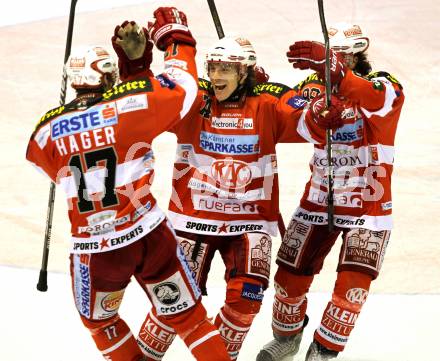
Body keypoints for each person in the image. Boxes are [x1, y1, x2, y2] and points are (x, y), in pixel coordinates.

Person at [114, 28, 348, 360]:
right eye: (212, 67)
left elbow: (305, 121)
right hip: (193, 220)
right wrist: (135, 63)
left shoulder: (267, 101)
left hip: (251, 224)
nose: (215, 75)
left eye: (225, 68)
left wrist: (321, 114)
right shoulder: (195, 99)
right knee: (170, 301)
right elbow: (145, 105)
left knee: (246, 300)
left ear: (244, 71)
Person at [26, 7, 231, 361]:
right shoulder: (130, 104)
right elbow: (184, 91)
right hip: (149, 235)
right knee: (189, 318)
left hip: (95, 250)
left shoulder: (44, 131)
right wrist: (175, 39)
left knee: (101, 324)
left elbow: (46, 169)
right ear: (110, 76)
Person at [257, 23, 405, 361]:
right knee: (287, 280)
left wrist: (337, 74)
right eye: (331, 56)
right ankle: (287, 338)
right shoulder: (314, 86)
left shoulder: (384, 83)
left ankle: (324, 351)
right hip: (319, 199)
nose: (336, 61)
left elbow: (378, 99)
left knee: (351, 289)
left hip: (369, 207)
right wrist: (255, 87)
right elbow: (285, 112)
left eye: (341, 57)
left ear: (357, 55)